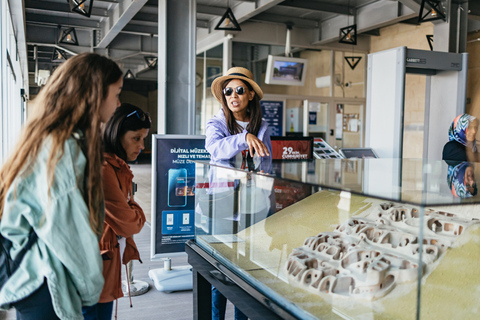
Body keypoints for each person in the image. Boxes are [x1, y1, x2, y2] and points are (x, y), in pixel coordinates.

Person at [0, 53, 123, 320]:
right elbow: (70, 233)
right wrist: (91, 292)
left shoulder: (47, 137)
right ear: (95, 94)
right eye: (117, 93)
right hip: (50, 286)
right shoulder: (63, 149)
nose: (118, 103)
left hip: (33, 278)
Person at [206, 67, 271, 320]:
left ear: (251, 95)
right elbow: (214, 148)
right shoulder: (217, 123)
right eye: (228, 91)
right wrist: (245, 138)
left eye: (240, 90)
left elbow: (266, 165)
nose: (233, 95)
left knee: (245, 270)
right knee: (219, 270)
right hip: (222, 205)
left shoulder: (262, 125)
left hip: (251, 207)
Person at [82, 104, 150, 319]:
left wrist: (130, 208)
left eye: (144, 139)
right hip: (93, 268)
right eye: (136, 138)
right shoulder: (103, 168)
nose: (142, 146)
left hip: (104, 263)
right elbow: (129, 223)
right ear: (116, 133)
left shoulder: (115, 166)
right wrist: (135, 209)